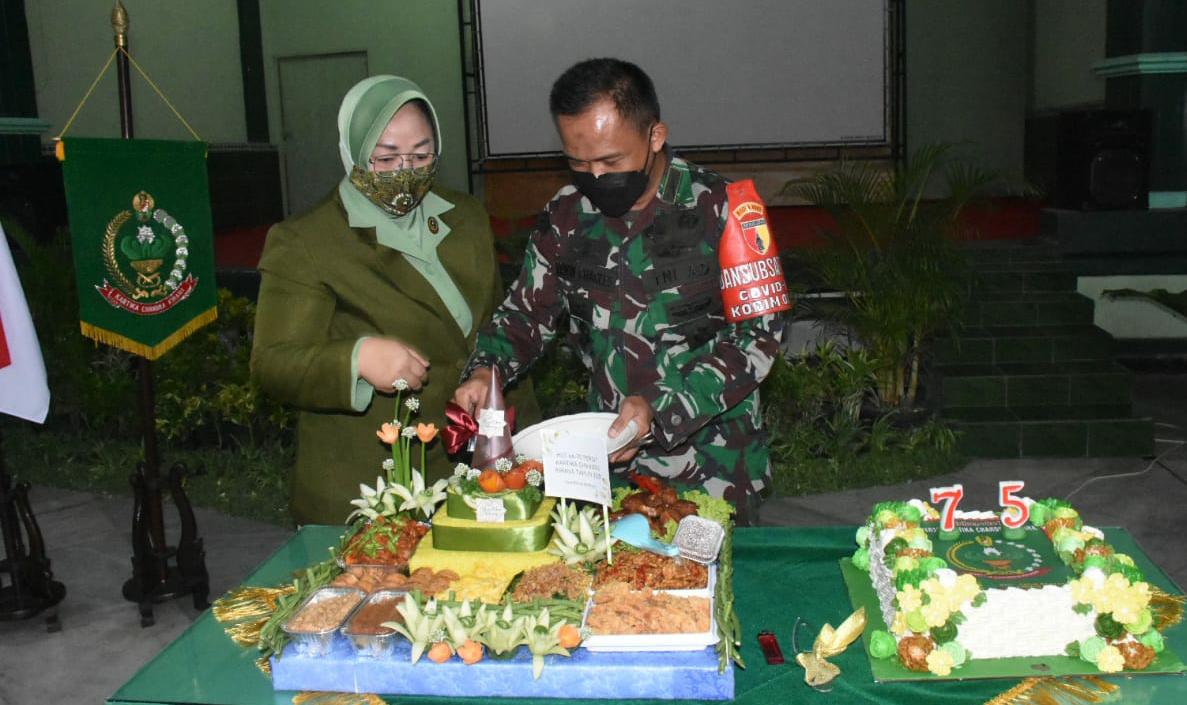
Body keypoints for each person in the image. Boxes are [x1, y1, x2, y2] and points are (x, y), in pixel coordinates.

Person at [452, 59, 784, 523]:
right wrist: (485, 372)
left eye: (611, 161)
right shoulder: (566, 216)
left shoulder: (726, 208)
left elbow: (758, 337)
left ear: (655, 137)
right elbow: (527, 315)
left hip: (714, 469)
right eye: (577, 162)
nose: (595, 176)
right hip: (603, 469)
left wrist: (662, 411)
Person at [252, 75, 536, 525]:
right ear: (352, 152)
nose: (405, 170)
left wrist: (487, 371)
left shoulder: (464, 216)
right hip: (378, 478)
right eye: (385, 158)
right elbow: (273, 362)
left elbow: (498, 321)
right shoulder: (307, 241)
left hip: (480, 460)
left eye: (422, 155)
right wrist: (356, 358)